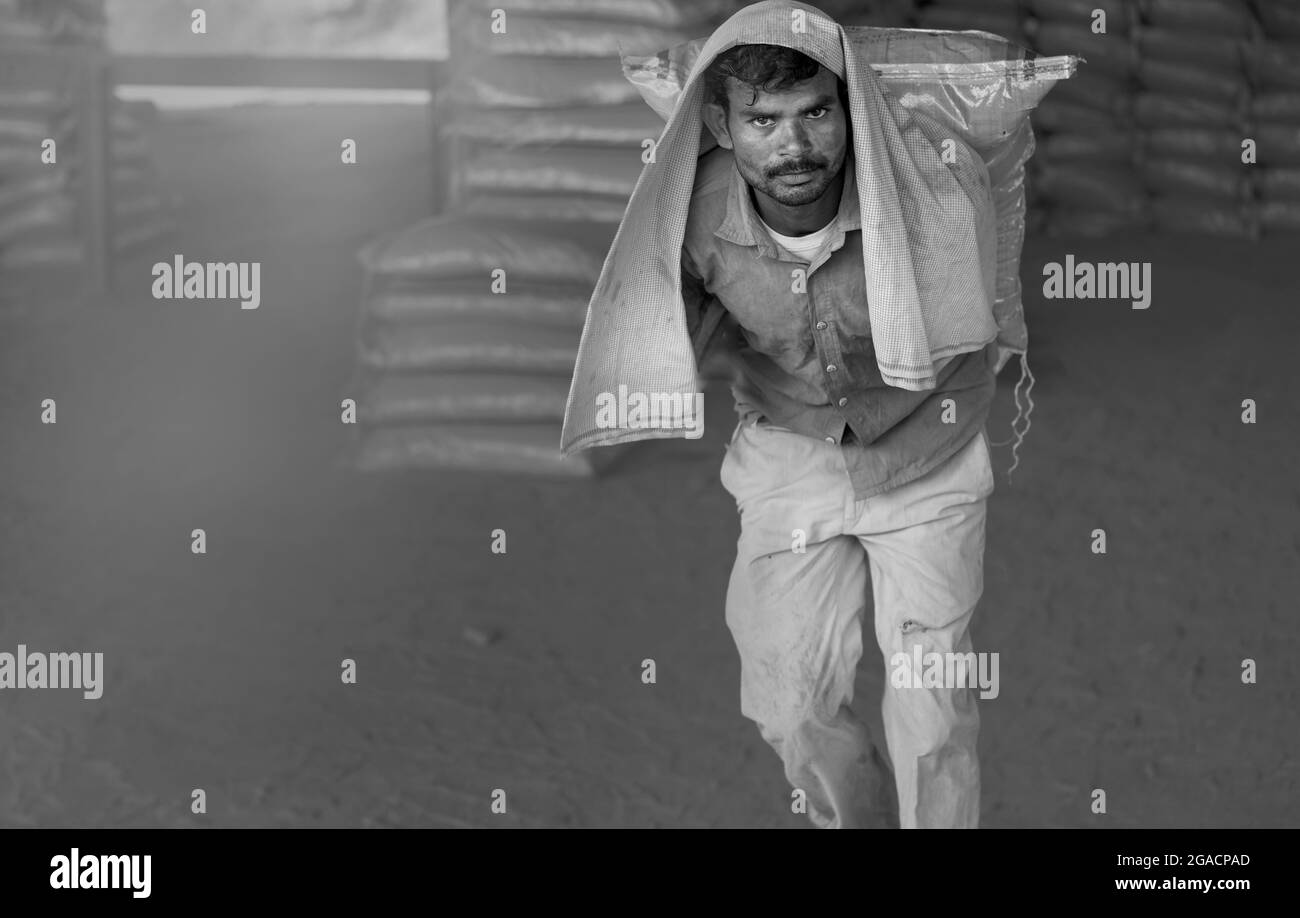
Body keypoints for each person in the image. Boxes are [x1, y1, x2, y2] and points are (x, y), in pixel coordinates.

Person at [685, 40, 998, 830]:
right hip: (791, 453)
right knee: (788, 703)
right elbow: (661, 337)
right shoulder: (691, 219)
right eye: (763, 120)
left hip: (927, 449)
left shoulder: (928, 188)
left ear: (849, 112)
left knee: (934, 708)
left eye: (816, 112)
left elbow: (977, 308)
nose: (793, 145)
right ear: (722, 126)